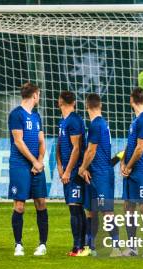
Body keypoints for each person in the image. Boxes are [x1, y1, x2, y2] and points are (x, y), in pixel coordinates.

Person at [8, 82, 48, 257]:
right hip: (20, 165)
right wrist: (34, 161)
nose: (39, 97)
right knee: (19, 205)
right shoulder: (16, 115)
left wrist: (39, 161)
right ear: (35, 95)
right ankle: (18, 244)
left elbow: (41, 141)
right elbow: (18, 141)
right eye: (38, 94)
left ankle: (42, 244)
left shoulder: (37, 116)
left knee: (41, 203)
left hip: (35, 166)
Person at [78, 94, 119, 257]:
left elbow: (91, 151)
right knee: (91, 210)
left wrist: (82, 168)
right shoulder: (101, 123)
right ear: (100, 106)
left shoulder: (96, 124)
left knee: (107, 211)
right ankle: (90, 247)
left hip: (101, 174)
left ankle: (116, 247)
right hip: (95, 173)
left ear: (86, 107)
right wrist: (87, 169)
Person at [120, 87, 143, 257]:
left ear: (131, 100)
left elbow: (140, 148)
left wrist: (128, 166)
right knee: (128, 205)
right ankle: (132, 247)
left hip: (142, 170)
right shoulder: (136, 121)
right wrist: (122, 161)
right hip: (132, 170)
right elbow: (131, 144)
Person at [54, 91, 88, 256]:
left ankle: (79, 246)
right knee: (76, 208)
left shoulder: (74, 121)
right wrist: (59, 165)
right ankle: (81, 245)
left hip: (75, 172)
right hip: (67, 171)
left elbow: (76, 148)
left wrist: (67, 171)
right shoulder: (63, 121)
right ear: (74, 102)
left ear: (60, 101)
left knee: (76, 208)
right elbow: (59, 145)